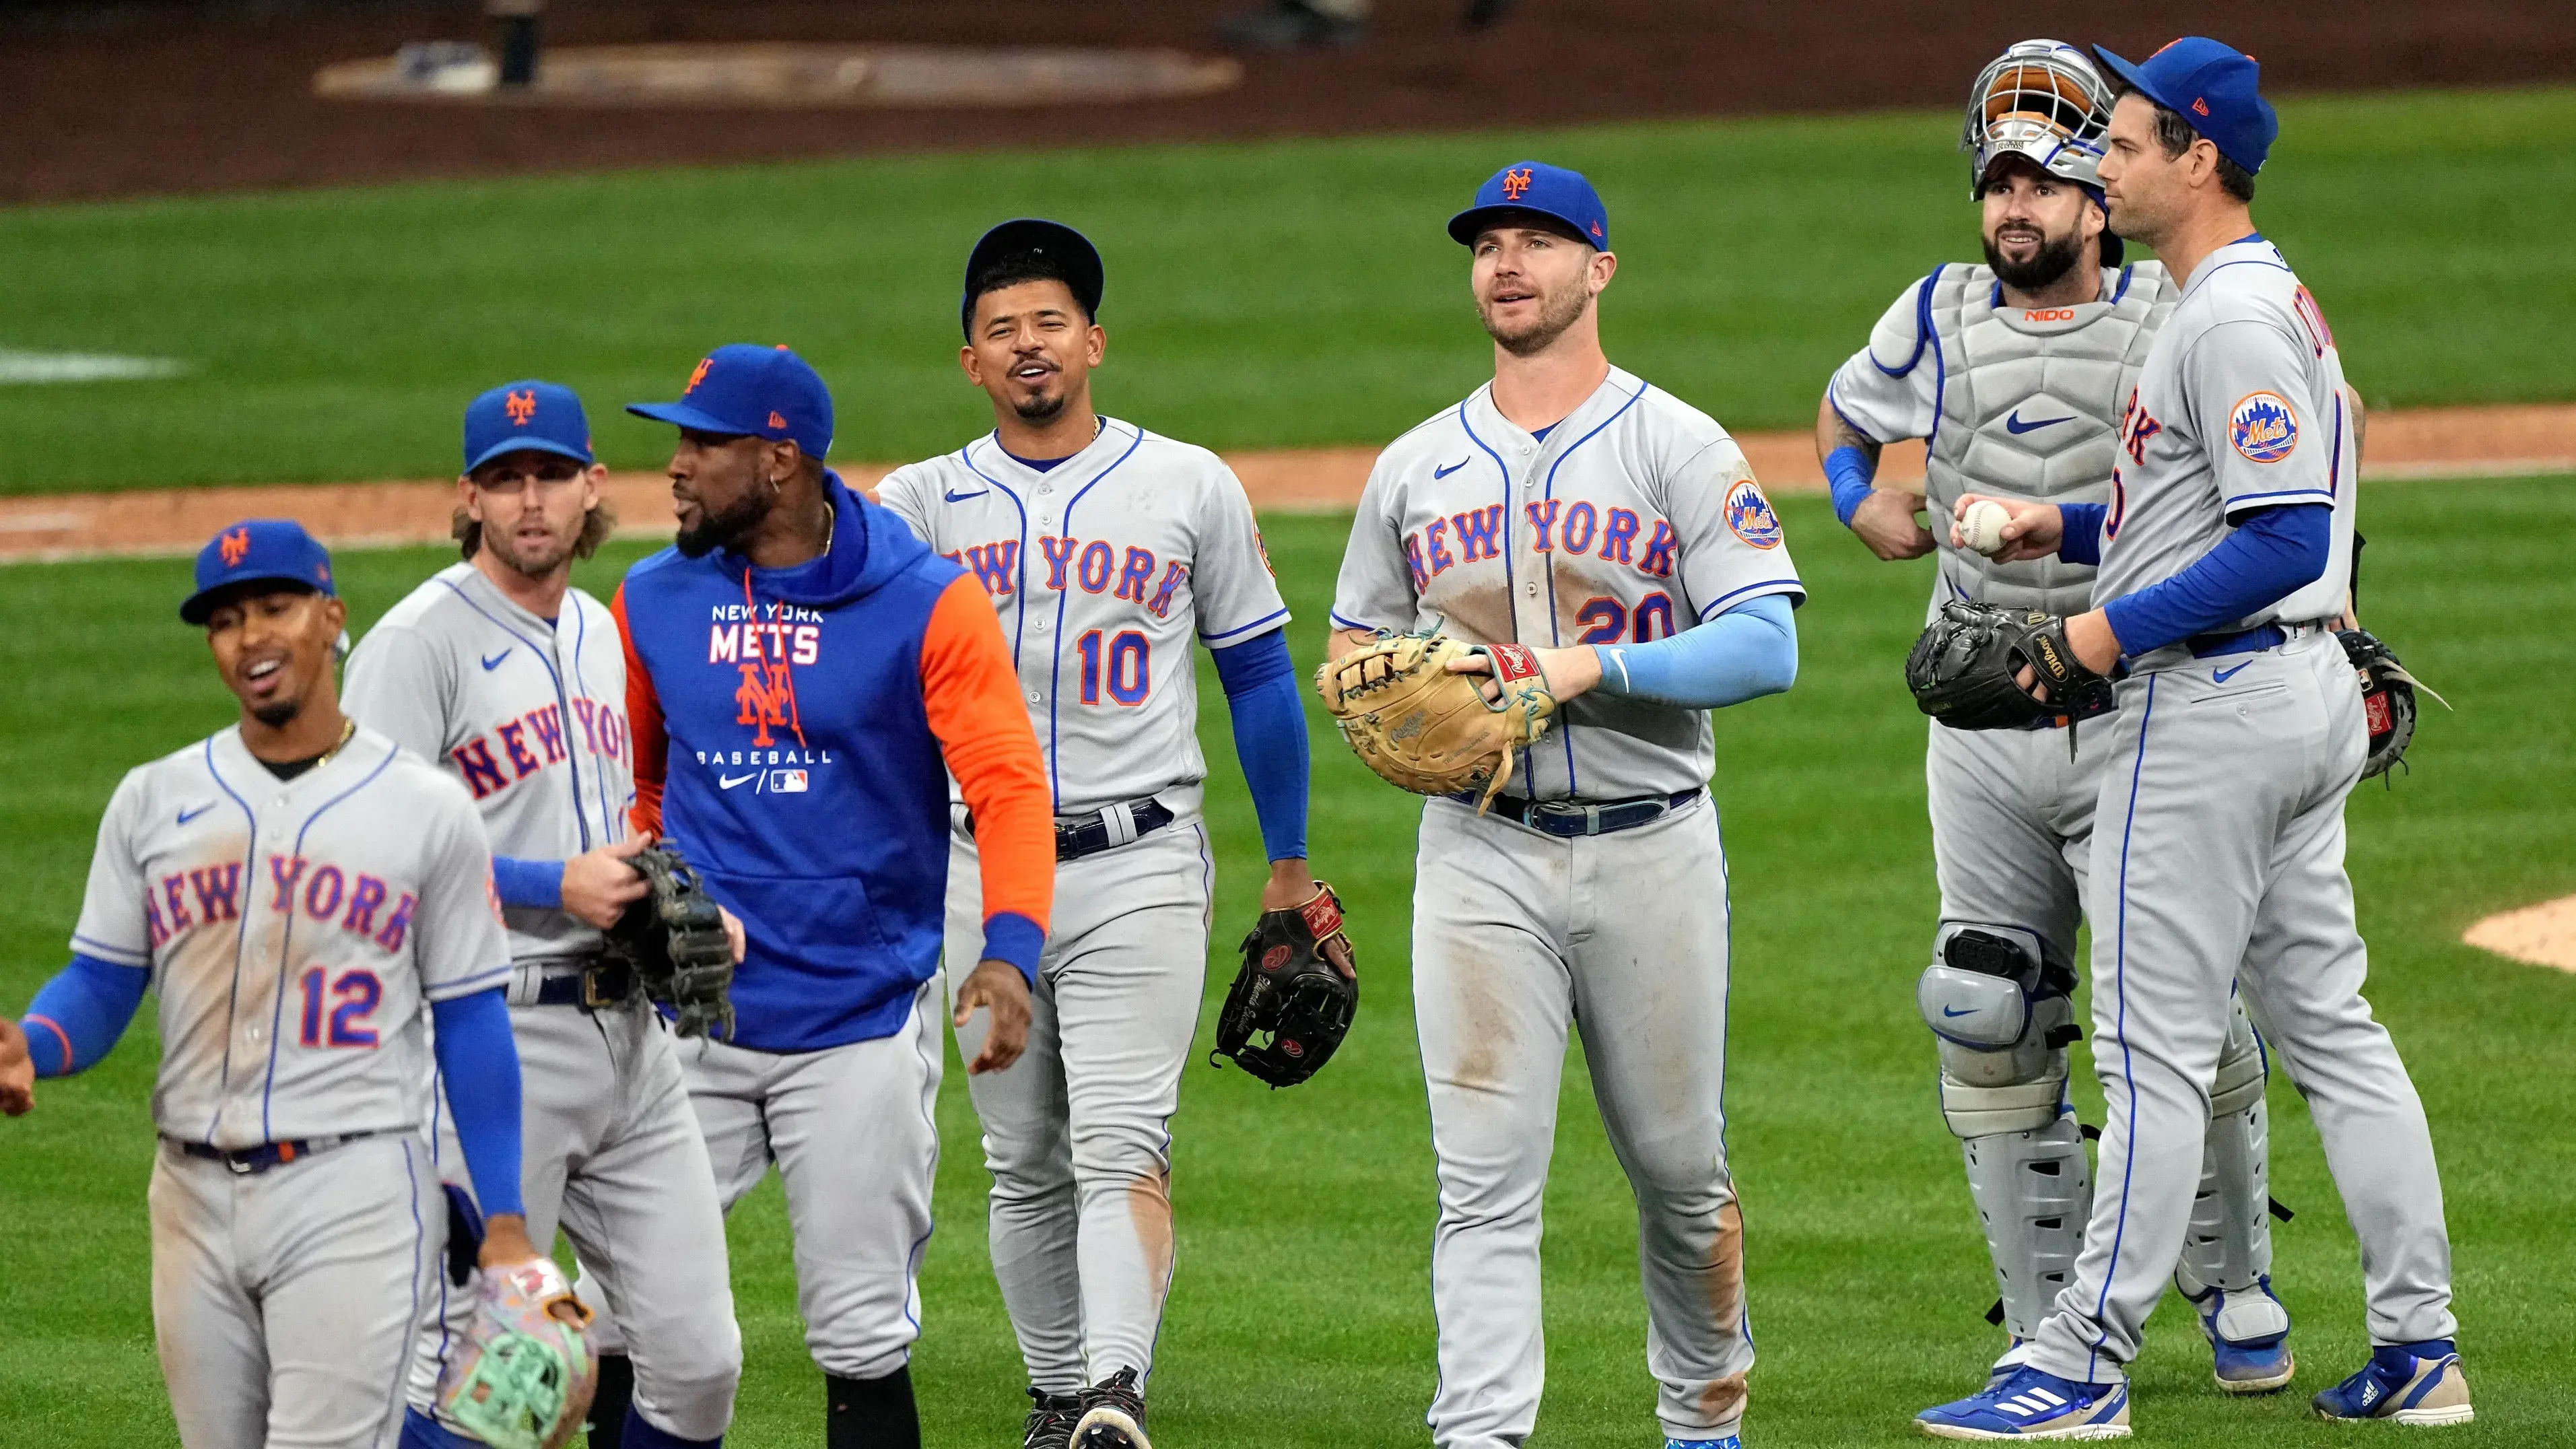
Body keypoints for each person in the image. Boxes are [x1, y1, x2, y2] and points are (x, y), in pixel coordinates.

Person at [1914, 38, 2468, 1438]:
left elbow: (2278, 534)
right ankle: (2418, 1344)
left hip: (2208, 708)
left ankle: (2080, 1360)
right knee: (2330, 1027)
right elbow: (2222, 499)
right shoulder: (2244, 296)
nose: (2101, 162)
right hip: (2298, 698)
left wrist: (2088, 636)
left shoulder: (2219, 316)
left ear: (2196, 157)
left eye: (2128, 140)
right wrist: (2067, 529)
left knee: (2144, 1047)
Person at [1819, 39, 2295, 1394]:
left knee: (2183, 1015)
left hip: (2142, 697)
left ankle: (2233, 1275)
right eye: (1995, 183)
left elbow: (2296, 459)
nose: (2011, 207)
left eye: (2039, 182)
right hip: (1975, 707)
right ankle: (2042, 1321)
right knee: (1980, 1003)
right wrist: (1863, 500)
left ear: (2100, 194)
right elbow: (1841, 418)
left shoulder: (2179, 316)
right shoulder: (1934, 309)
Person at [1327, 161, 1801, 1449]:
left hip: (1650, 853)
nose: (1506, 264)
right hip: (1480, 856)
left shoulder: (1674, 444)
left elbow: (1767, 646)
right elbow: (1355, 651)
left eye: (1538, 242)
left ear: (1598, 269)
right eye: (1487, 244)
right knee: (1481, 1182)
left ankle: (1702, 1420)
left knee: (1678, 1175)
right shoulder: (1416, 466)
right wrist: (1387, 710)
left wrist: (1590, 667)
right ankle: (1478, 1435)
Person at [874, 220, 1344, 1449]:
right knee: (1021, 1155)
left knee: (1124, 1138)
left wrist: (1287, 870)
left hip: (1139, 866)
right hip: (975, 879)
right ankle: (1053, 1396)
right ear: (967, 361)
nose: (1026, 347)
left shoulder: (1186, 483)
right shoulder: (916, 505)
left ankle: (1112, 1397)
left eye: (1047, 323)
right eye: (999, 330)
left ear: (1092, 340)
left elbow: (1258, 680)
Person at [608, 343, 1057, 1449]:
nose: (674, 466)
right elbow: (637, 778)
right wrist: (639, 885)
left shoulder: (925, 603)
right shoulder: (652, 599)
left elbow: (1004, 784)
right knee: (616, 1314)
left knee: (859, 1336)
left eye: (702, 445)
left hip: (856, 1024)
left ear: (778, 460)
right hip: (690, 1023)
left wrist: (1009, 950)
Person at [0, 520, 535, 1448]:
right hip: (190, 1198)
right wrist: (33, 1046)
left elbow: (471, 1021)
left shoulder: (424, 808)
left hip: (354, 1190)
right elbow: (101, 982)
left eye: (278, 609)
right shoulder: (154, 799)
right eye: (227, 620)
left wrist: (506, 1224)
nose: (253, 637)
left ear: (332, 618)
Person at [340, 382, 745, 1449]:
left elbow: (609, 827)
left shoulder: (597, 635)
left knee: (701, 1361)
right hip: (489, 1038)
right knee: (481, 1375)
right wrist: (543, 886)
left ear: (592, 488)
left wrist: (674, 899)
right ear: (467, 498)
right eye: (506, 480)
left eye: (552, 476)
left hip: (630, 1048)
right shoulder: (414, 645)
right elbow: (361, 858)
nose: (531, 501)